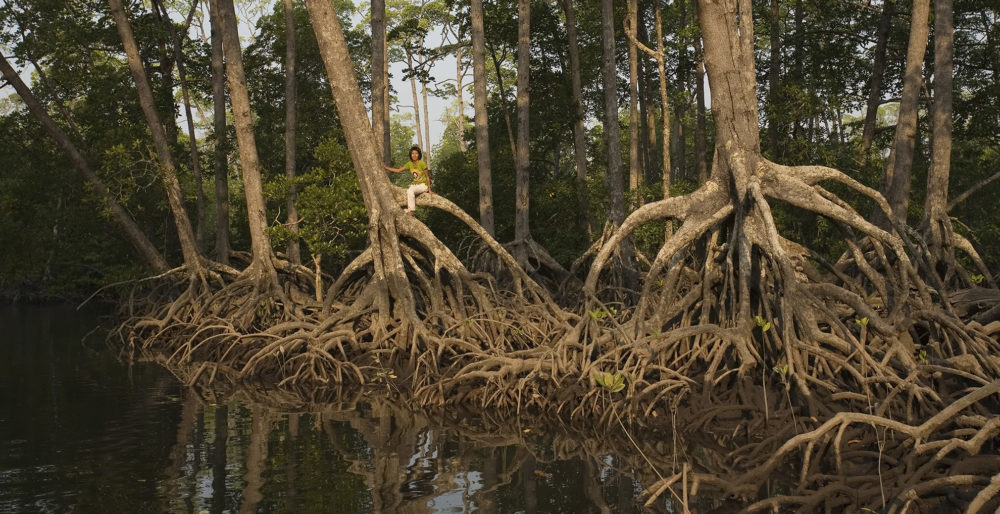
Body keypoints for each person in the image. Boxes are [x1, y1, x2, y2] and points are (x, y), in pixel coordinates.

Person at [384, 145, 433, 215]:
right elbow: (398, 170)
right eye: (412, 153)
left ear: (419, 154)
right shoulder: (409, 164)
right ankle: (407, 210)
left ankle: (412, 211)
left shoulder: (422, 163)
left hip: (423, 185)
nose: (414, 155)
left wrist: (429, 189)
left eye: (416, 153)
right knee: (407, 192)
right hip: (415, 185)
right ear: (410, 155)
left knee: (410, 191)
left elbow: (427, 177)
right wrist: (385, 168)